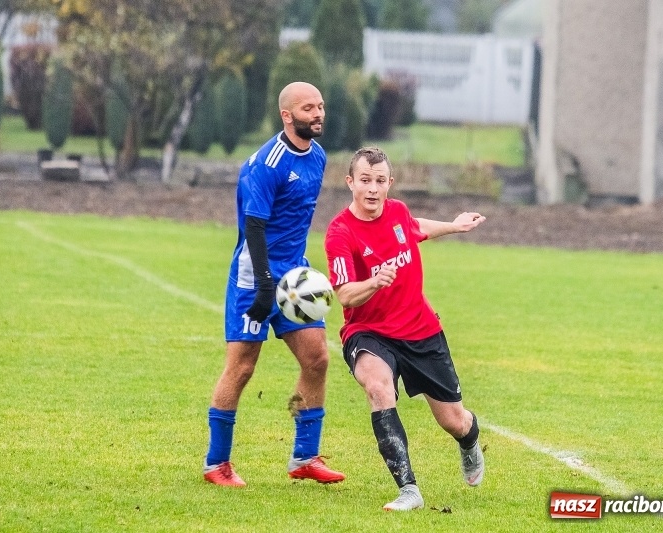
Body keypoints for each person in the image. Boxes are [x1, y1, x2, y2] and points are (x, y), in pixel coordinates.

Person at [324, 147, 486, 511]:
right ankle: (409, 490)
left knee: (454, 421)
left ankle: (469, 440)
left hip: (420, 330)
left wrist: (455, 225)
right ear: (350, 182)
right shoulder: (340, 233)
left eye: (379, 181)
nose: (372, 189)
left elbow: (415, 228)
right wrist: (374, 283)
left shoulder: (397, 212)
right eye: (364, 180)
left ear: (389, 184)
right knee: (379, 389)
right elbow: (346, 295)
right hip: (369, 332)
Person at [203, 82, 345, 488]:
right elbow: (254, 226)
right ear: (287, 116)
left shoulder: (317, 157)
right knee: (243, 367)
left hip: (294, 276)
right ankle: (217, 464)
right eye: (308, 108)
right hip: (255, 274)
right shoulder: (266, 164)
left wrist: (296, 272)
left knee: (317, 359)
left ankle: (304, 456)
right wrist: (265, 284)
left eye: (320, 106)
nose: (318, 114)